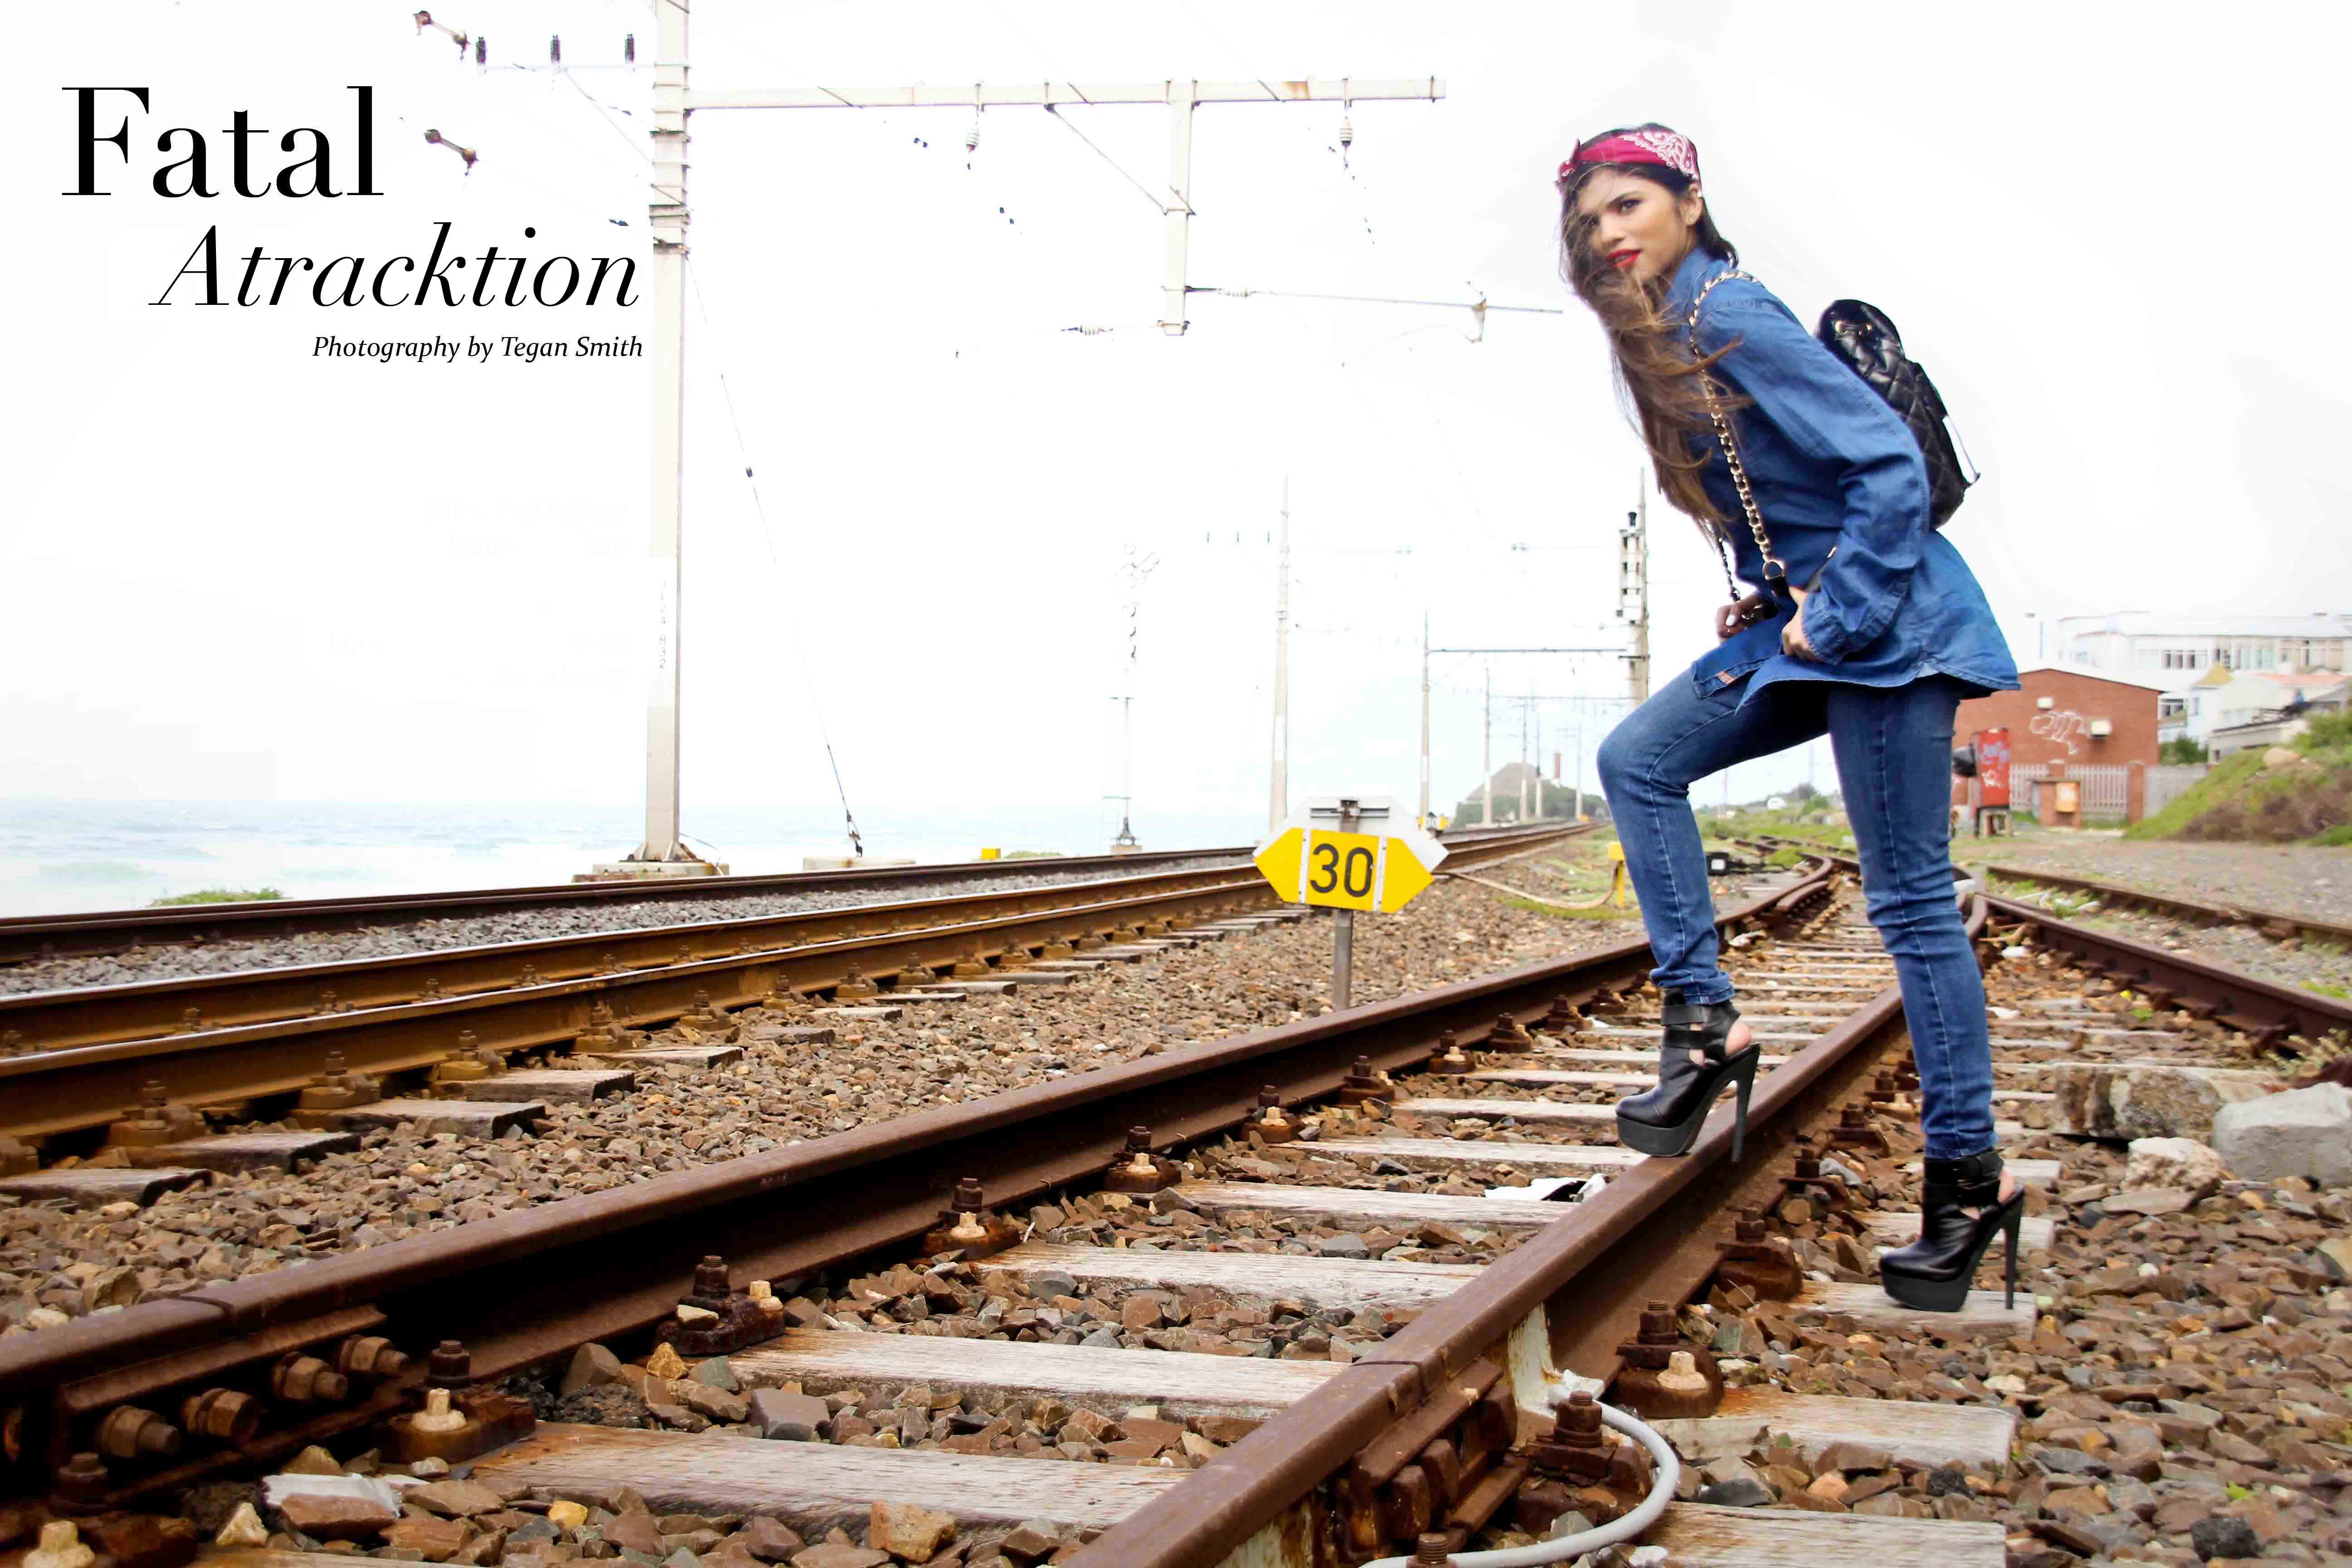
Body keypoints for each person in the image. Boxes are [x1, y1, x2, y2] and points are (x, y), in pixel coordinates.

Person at [1556, 124, 2024, 1312]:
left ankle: (1966, 1188)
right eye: (1591, 219)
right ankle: (1703, 1031)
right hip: (1812, 621)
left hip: (1892, 626)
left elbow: (1888, 467)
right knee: (1639, 760)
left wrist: (1841, 606)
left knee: (1909, 903)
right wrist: (1771, 596)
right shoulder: (1672, 330)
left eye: (1629, 205)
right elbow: (1794, 493)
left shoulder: (1729, 308)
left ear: (1688, 200)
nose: (1609, 233)